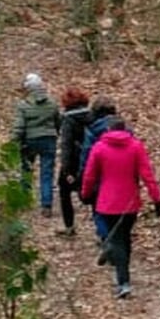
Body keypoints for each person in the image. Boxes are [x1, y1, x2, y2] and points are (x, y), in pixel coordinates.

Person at [79, 117, 160, 299]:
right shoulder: (136, 146)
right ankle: (123, 276)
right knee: (124, 237)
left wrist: (85, 193)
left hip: (107, 202)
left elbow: (90, 174)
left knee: (117, 239)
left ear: (108, 129)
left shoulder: (99, 147)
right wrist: (157, 198)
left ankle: (123, 281)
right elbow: (147, 174)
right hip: (129, 202)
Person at [13, 74, 60, 217]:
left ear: (28, 88)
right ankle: (46, 205)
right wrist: (55, 133)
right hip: (49, 140)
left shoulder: (23, 105)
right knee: (47, 173)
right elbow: (58, 122)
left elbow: (19, 127)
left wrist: (14, 141)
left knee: (26, 170)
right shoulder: (52, 103)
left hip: (30, 141)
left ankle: (24, 201)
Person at [80, 96, 119, 240]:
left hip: (99, 177)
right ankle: (115, 237)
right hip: (121, 176)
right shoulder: (124, 129)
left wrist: (82, 176)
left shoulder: (92, 130)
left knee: (98, 209)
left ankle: (105, 237)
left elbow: (86, 156)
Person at [55, 88, 93, 235]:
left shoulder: (68, 120)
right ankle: (101, 230)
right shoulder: (92, 116)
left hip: (73, 162)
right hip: (92, 159)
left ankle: (69, 226)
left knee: (64, 193)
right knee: (93, 193)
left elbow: (66, 145)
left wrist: (66, 169)